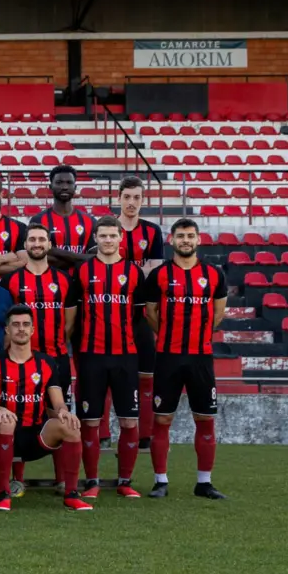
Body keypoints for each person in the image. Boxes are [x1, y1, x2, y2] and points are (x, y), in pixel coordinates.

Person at [142, 218, 228, 500]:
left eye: (191, 236)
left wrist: (199, 335)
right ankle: (160, 481)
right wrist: (168, 335)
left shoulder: (214, 275)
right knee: (162, 419)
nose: (186, 240)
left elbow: (217, 314)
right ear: (172, 240)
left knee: (205, 420)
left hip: (201, 358)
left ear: (198, 239)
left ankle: (204, 482)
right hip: (167, 356)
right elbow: (151, 313)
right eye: (181, 236)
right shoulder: (159, 275)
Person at [63, 215, 146, 500]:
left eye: (113, 235)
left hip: (126, 357)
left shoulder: (135, 272)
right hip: (91, 356)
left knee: (129, 422)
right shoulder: (83, 271)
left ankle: (125, 481)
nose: (108, 240)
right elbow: (71, 317)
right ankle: (92, 481)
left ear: (121, 238)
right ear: (95, 239)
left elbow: (139, 315)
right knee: (90, 422)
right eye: (103, 236)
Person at [0, 305, 91, 512]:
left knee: (70, 425)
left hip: (36, 435)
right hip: (2, 433)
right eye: (15, 325)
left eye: (26, 324)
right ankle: (2, 494)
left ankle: (71, 494)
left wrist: (63, 411)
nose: (21, 329)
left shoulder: (46, 362)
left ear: (33, 330)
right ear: (7, 330)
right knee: (7, 423)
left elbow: (57, 401)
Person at [0, 224, 74, 496]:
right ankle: (15, 479)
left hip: (55, 359)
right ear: (25, 245)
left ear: (49, 243)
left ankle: (63, 479)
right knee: (17, 414)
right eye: (32, 239)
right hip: (19, 361)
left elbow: (69, 323)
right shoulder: (11, 280)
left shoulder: (65, 279)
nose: (37, 243)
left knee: (58, 413)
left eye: (42, 239)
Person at [117, 175, 166, 449]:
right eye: (127, 197)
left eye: (137, 197)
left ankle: (145, 435)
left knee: (146, 375)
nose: (132, 202)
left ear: (142, 200)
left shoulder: (153, 231)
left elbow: (156, 272)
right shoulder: (108, 229)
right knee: (109, 374)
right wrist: (140, 270)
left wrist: (123, 271)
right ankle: (102, 434)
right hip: (111, 313)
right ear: (119, 198)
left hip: (143, 314)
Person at [29, 165, 96, 269]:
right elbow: (39, 256)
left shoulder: (90, 221)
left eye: (69, 183)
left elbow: (95, 258)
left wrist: (54, 251)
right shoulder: (38, 220)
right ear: (50, 187)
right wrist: (79, 259)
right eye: (59, 182)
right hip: (49, 282)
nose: (64, 187)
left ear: (75, 187)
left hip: (82, 282)